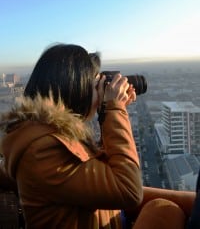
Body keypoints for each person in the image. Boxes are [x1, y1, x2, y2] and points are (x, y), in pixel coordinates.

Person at [0, 43, 196, 229]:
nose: (100, 91)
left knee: (170, 208)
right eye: (95, 84)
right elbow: (128, 190)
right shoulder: (43, 150)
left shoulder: (50, 134)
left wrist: (112, 112)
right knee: (165, 211)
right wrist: (115, 111)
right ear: (76, 89)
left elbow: (101, 174)